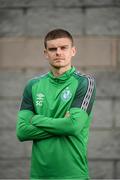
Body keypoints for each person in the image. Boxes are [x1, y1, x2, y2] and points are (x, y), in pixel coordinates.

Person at [16, 28, 96, 179]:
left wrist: (36, 119)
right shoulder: (33, 85)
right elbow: (22, 132)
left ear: (73, 51)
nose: (58, 52)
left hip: (73, 175)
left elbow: (74, 126)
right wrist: (63, 124)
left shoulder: (84, 82)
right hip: (39, 175)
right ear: (46, 53)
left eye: (63, 48)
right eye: (52, 49)